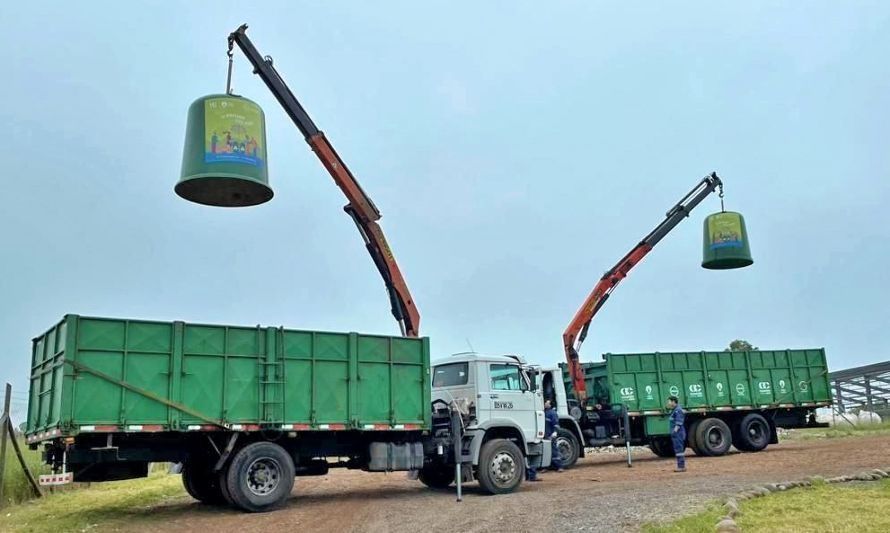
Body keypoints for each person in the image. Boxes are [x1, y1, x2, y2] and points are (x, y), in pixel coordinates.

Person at [667, 395, 686, 472]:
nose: (668, 403)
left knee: (679, 450)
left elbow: (678, 423)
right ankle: (680, 466)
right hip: (676, 434)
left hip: (678, 433)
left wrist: (674, 432)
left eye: (669, 402)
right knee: (677, 450)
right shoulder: (674, 410)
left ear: (673, 402)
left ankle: (681, 466)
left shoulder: (678, 410)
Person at [544, 400, 564, 472]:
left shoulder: (552, 413)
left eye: (547, 403)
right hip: (545, 435)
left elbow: (556, 424)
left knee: (554, 451)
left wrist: (555, 432)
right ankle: (546, 467)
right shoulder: (544, 412)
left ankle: (560, 466)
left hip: (550, 435)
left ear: (550, 405)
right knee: (546, 451)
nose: (545, 403)